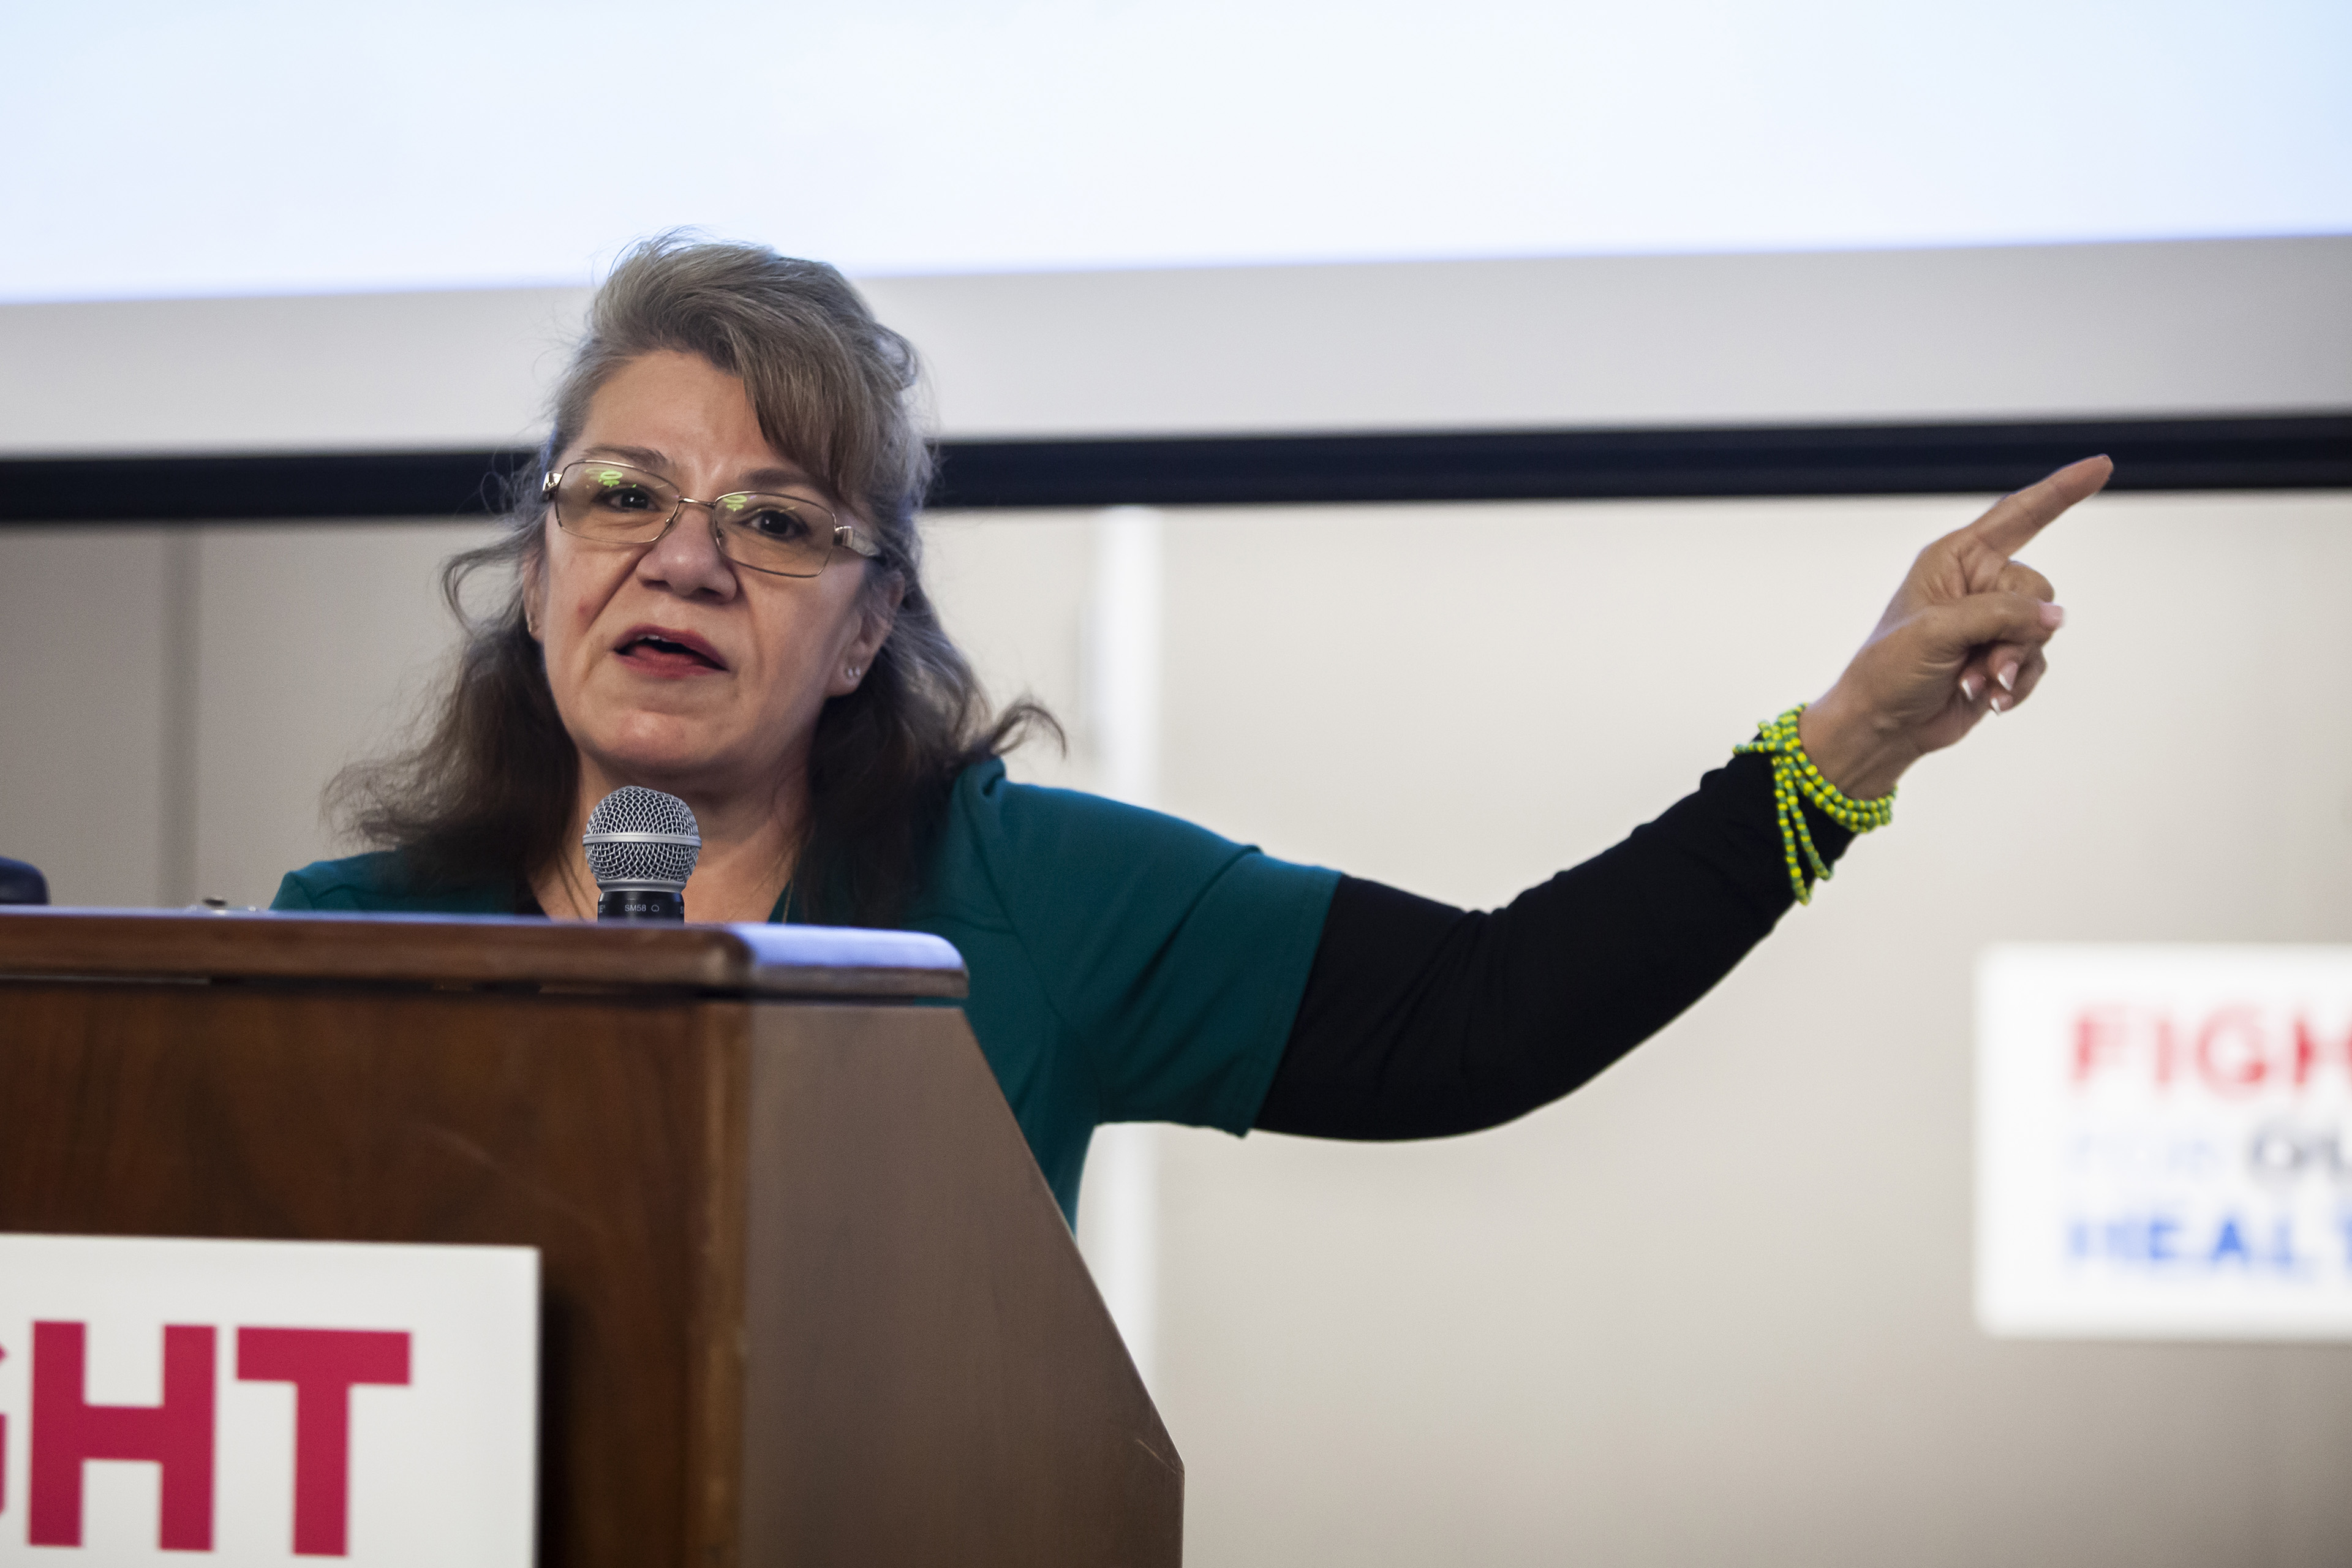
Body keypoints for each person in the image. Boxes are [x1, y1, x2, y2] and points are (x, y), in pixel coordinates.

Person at [275, 236, 2109, 1223]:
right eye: (621, 495)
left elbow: (1481, 1016)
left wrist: (1842, 751)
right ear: (539, 569)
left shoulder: (1017, 906)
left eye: (774, 521)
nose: (682, 557)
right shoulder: (344, 944)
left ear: (867, 632)